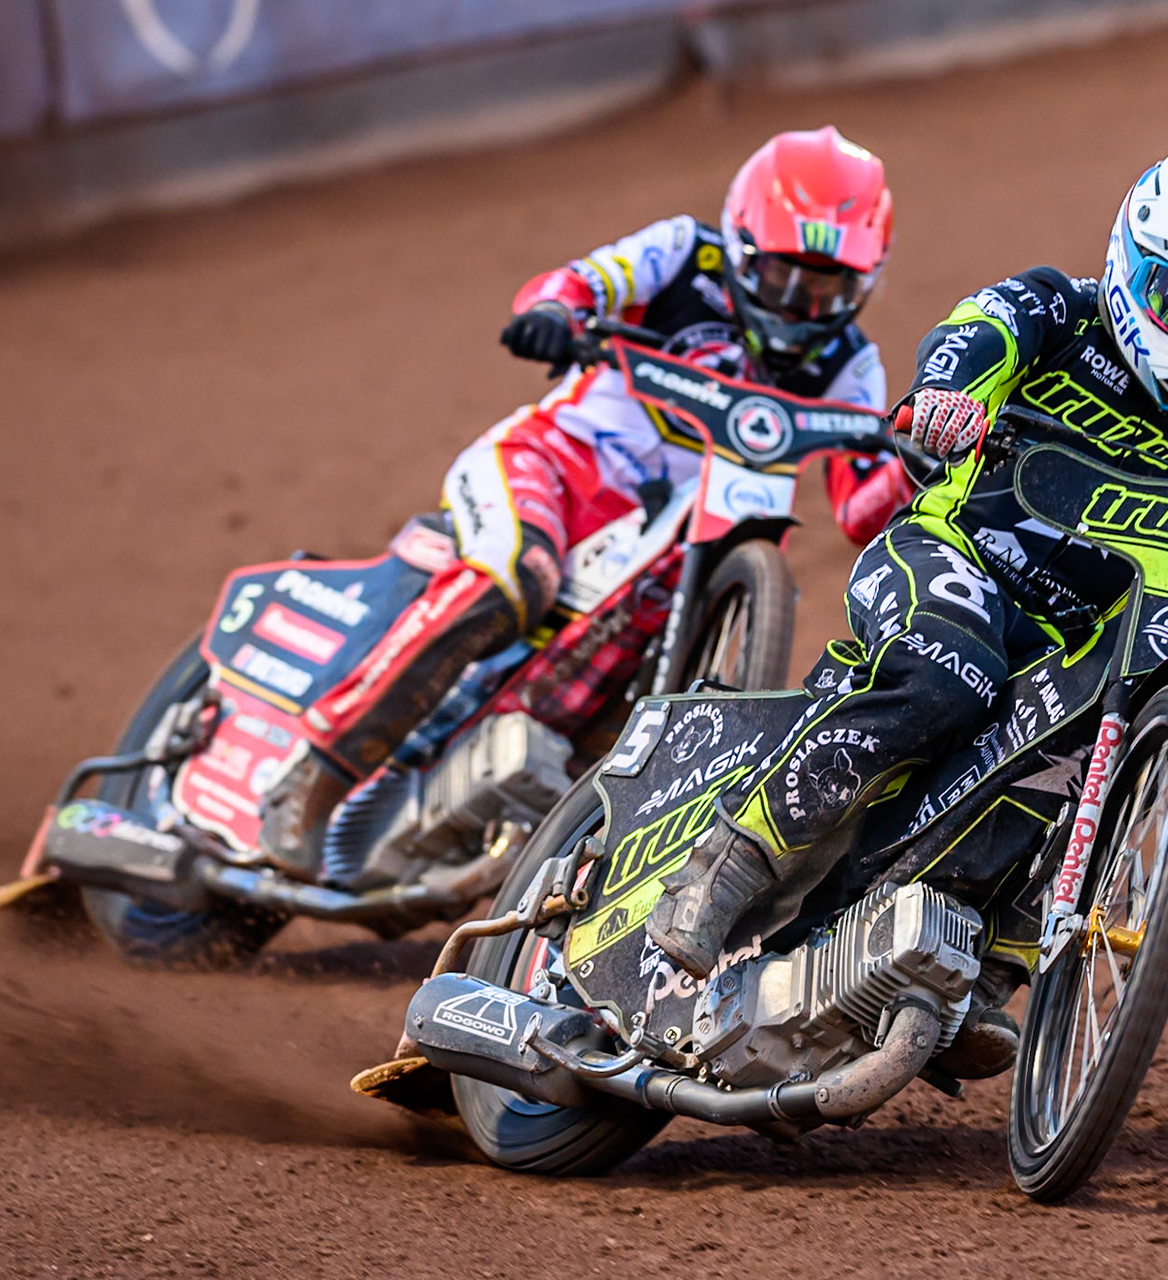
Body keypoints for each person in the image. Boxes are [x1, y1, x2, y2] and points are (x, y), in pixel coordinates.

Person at [647, 146, 1168, 1074]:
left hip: (1072, 639)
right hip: (955, 557)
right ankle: (727, 867)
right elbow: (972, 335)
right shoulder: (1053, 310)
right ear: (1132, 263)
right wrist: (946, 397)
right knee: (948, 676)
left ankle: (971, 975)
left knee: (1091, 751)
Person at [258, 125, 913, 870]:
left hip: (680, 550)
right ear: (738, 245)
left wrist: (915, 464)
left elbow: (860, 510)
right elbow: (574, 285)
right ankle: (313, 775)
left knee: (622, 711)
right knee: (516, 578)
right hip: (554, 467)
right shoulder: (680, 253)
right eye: (782, 277)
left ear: (867, 281)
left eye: (828, 288)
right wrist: (553, 315)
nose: (800, 306)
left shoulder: (852, 365)